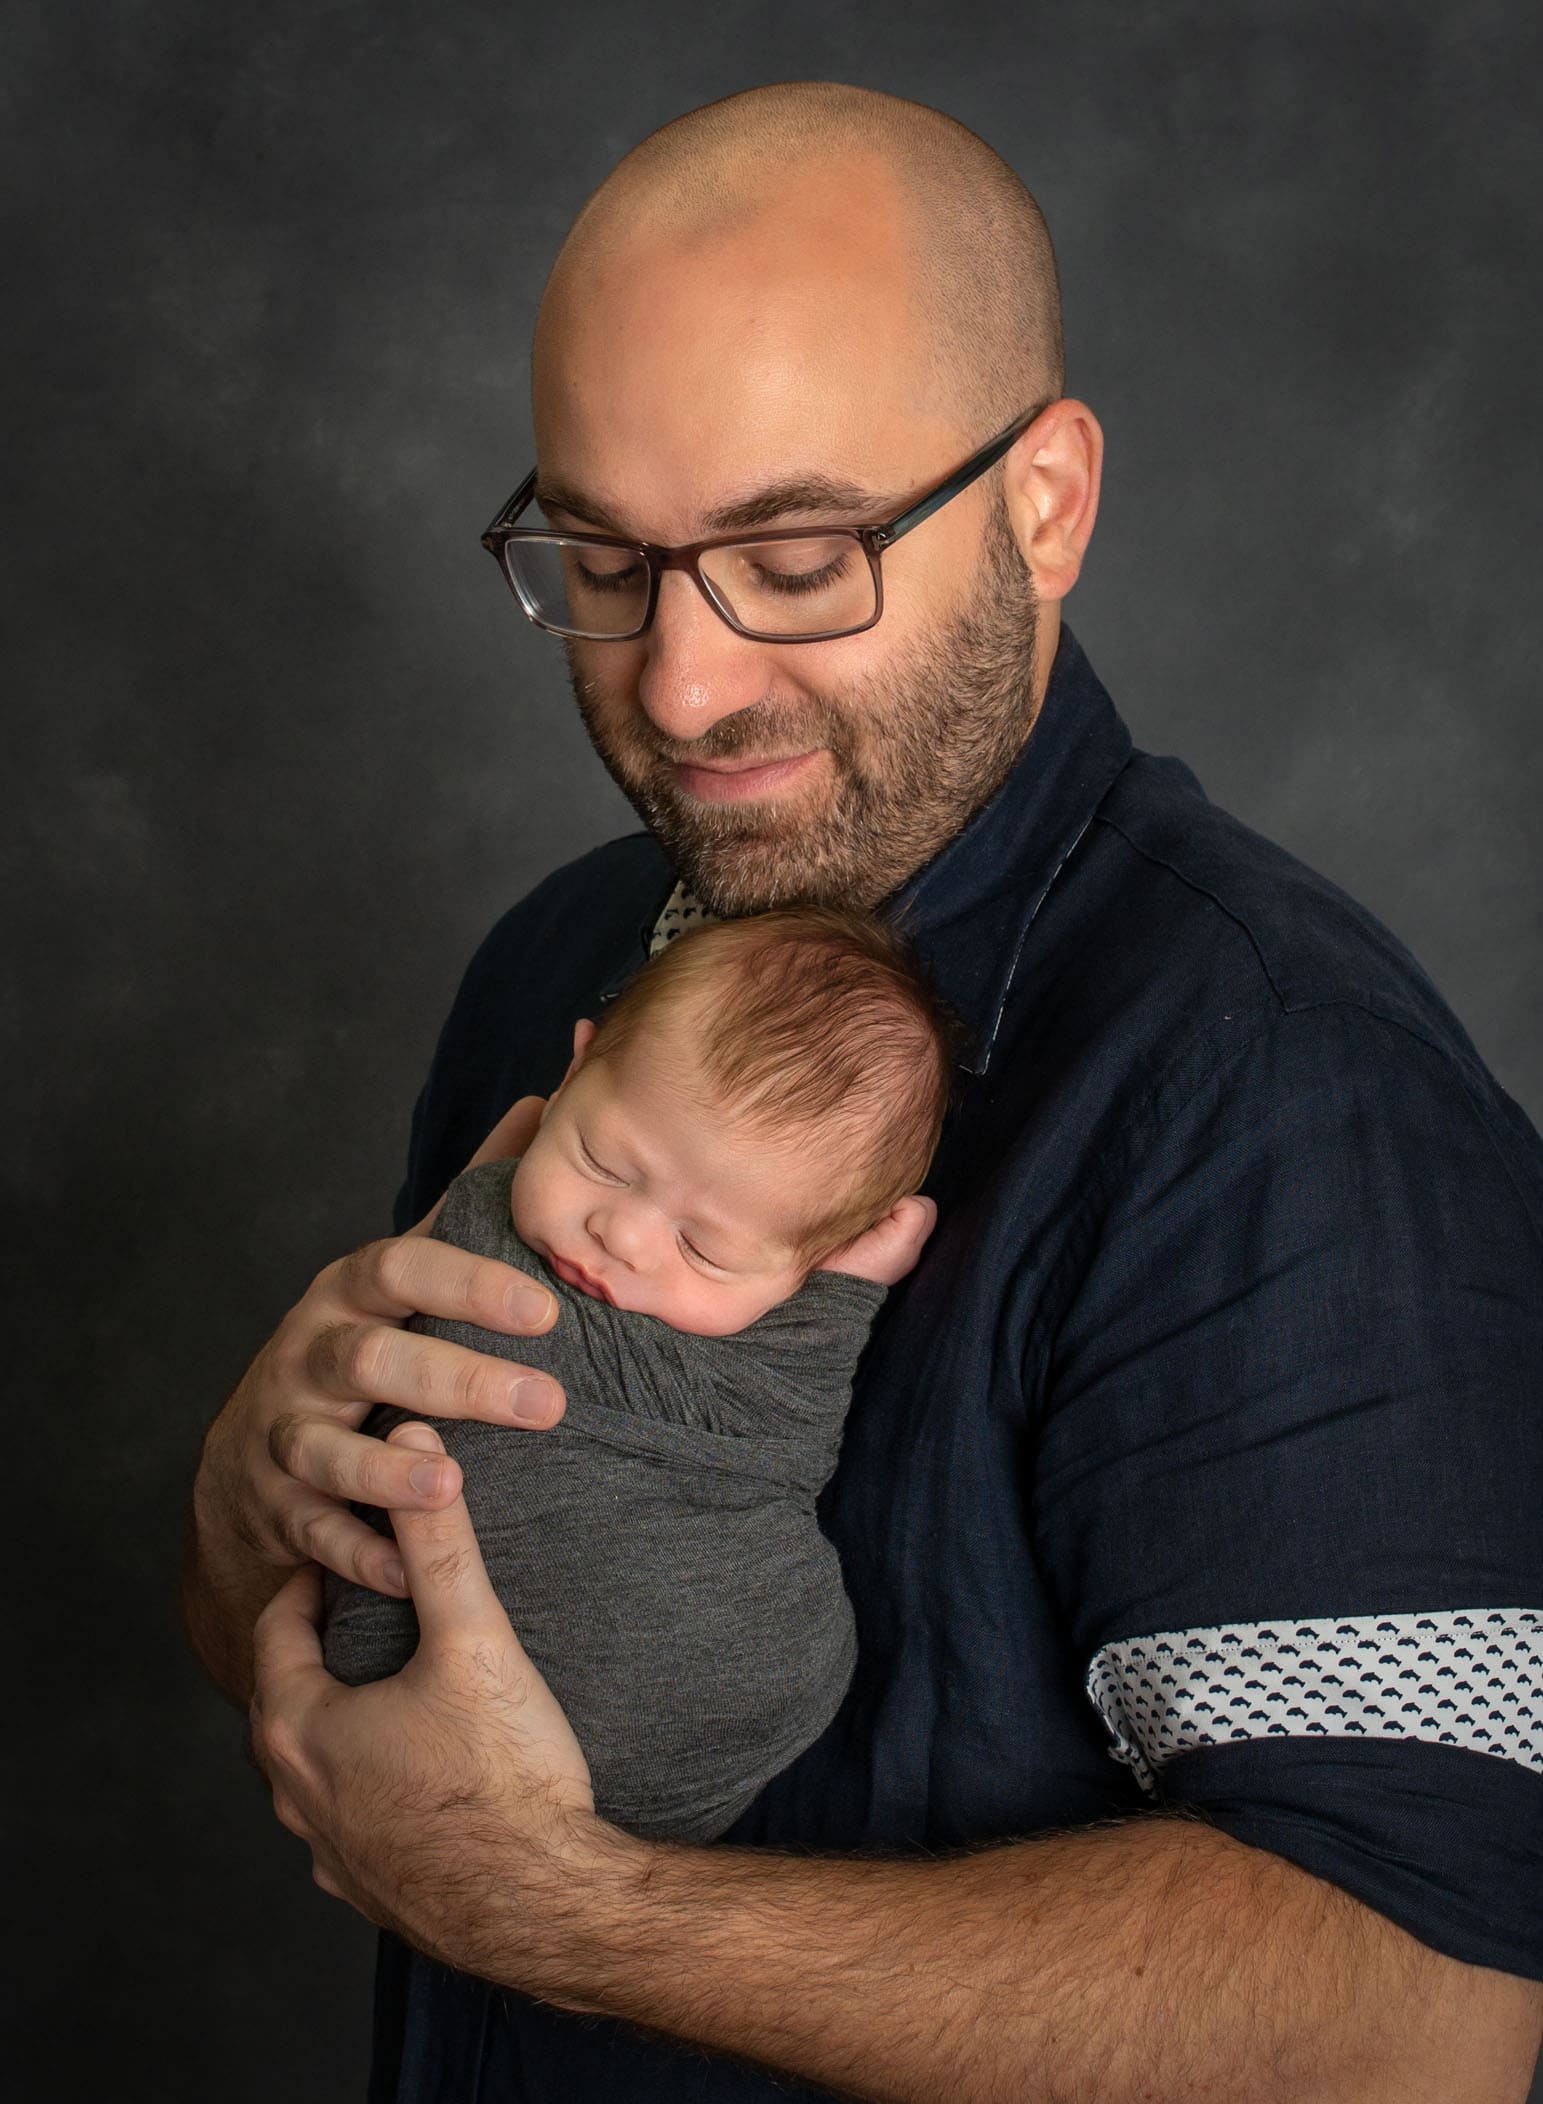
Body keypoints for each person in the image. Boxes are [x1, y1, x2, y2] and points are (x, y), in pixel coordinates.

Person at [181, 80, 1543, 2104]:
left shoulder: (1279, 1094)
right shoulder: (555, 967)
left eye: (796, 552)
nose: (680, 684)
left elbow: (1427, 2007)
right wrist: (242, 1515)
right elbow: (377, 1688)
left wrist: (563, 1905)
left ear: (1046, 502)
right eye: (603, 556)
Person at [319, 905, 948, 1845]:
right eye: (603, 1164)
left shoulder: (782, 1340)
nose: (623, 1236)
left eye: (703, 1248)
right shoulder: (481, 1205)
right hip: (404, 1676)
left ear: (811, 1266)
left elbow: (792, 1408)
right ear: (575, 1068)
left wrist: (847, 1290)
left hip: (716, 1714)